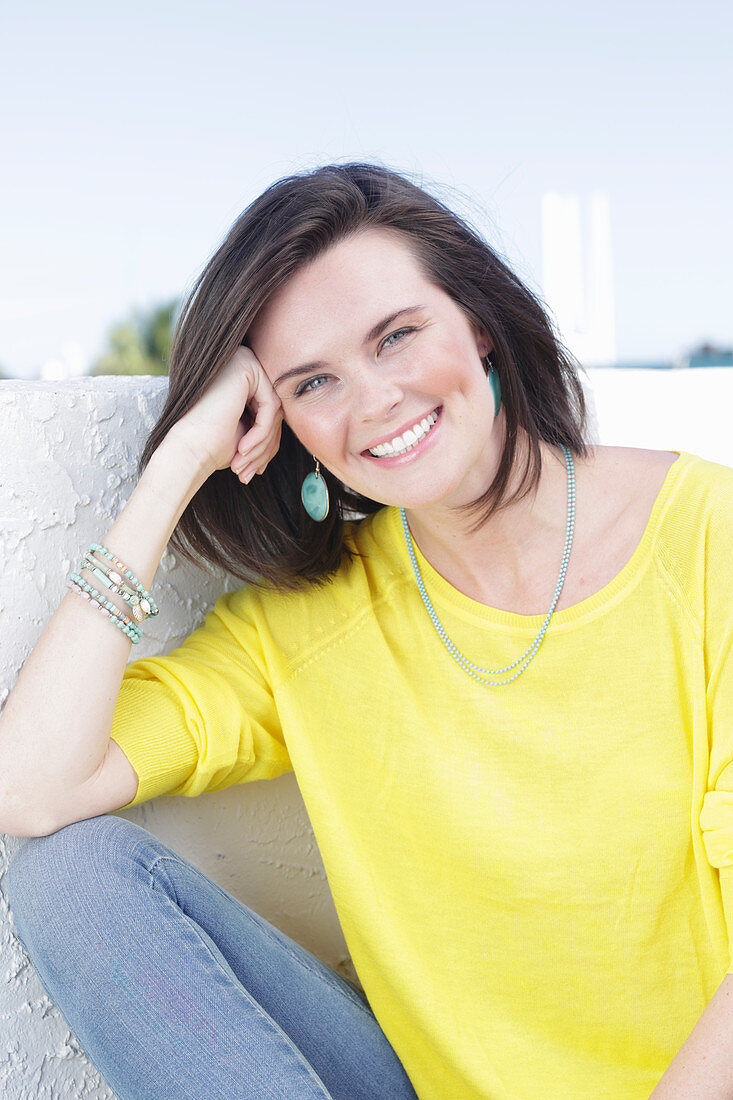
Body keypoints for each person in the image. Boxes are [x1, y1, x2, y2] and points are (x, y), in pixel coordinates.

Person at [1, 162, 731, 1100]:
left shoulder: (706, 538)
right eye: (313, 383)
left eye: (396, 336)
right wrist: (179, 461)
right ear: (281, 426)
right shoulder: (308, 621)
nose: (375, 401)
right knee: (72, 878)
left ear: (478, 321)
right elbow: (28, 789)